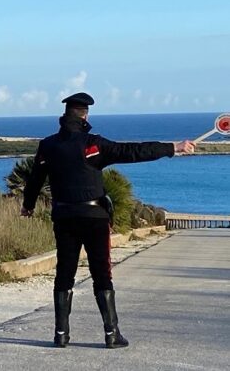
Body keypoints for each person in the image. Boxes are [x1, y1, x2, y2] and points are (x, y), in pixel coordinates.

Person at [21, 92, 195, 348]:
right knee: (102, 273)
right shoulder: (93, 146)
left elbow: (35, 179)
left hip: (64, 216)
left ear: (65, 114)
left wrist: (28, 205)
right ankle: (111, 333)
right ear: (85, 115)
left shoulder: (48, 146)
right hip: (94, 217)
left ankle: (61, 335)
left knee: (64, 273)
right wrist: (172, 148)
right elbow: (132, 151)